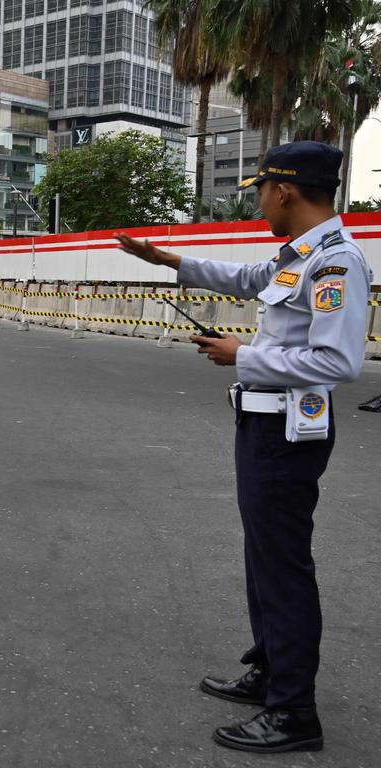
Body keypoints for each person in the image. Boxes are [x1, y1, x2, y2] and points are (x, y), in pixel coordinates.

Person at [116, 141, 372, 755]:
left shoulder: (337, 264)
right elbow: (247, 278)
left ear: (285, 190)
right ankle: (270, 668)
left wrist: (243, 355)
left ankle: (294, 712)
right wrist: (164, 257)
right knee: (264, 558)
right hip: (262, 425)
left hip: (289, 432)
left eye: (261, 190)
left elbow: (340, 360)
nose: (258, 201)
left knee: (283, 566)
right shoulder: (299, 256)